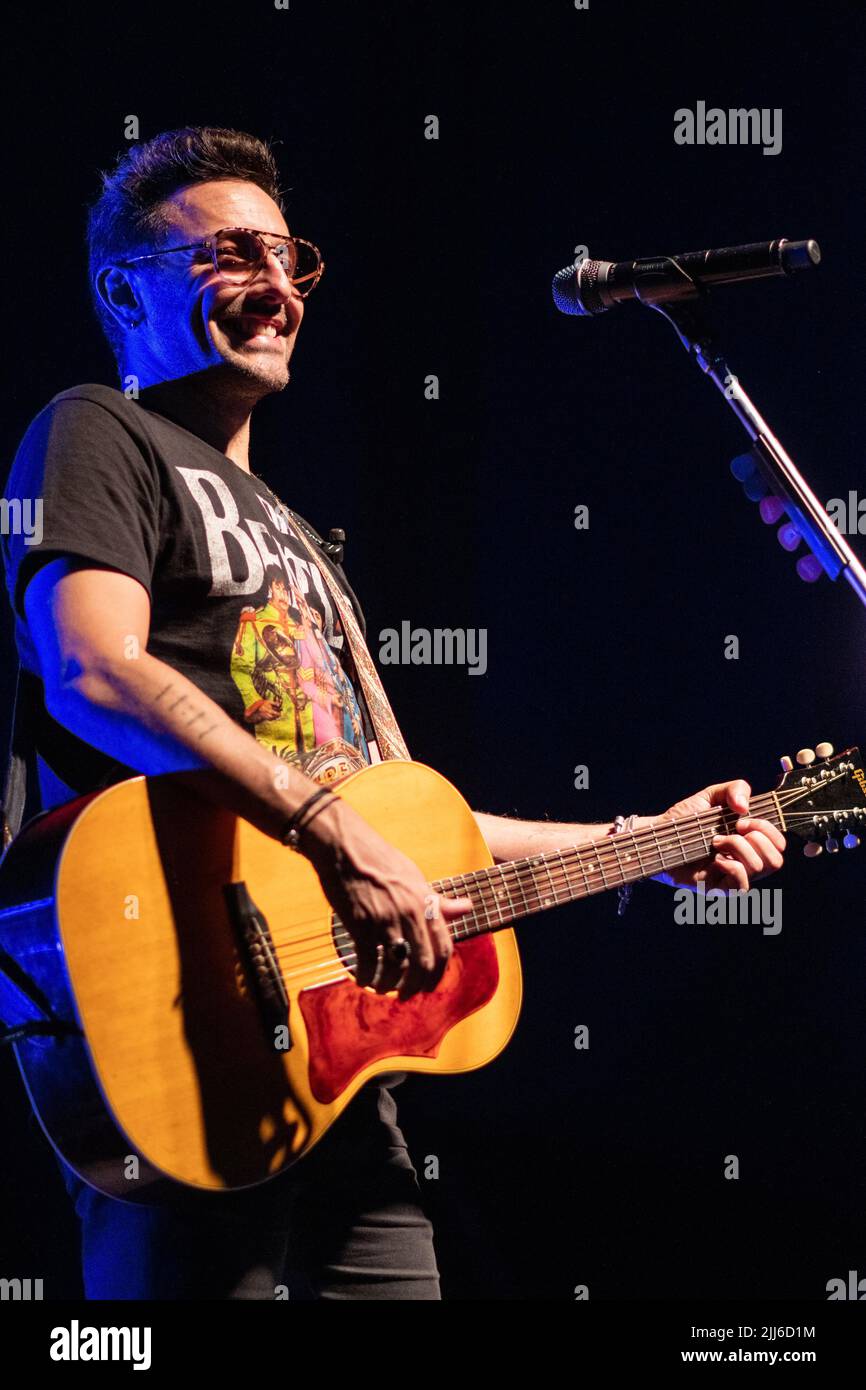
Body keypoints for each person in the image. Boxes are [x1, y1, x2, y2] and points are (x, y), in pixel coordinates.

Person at [0, 127, 786, 1300]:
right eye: (232, 256)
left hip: (343, 1077)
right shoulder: (95, 433)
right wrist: (336, 833)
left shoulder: (308, 547)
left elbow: (410, 821)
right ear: (126, 289)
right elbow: (94, 671)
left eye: (289, 258)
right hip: (177, 1026)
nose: (277, 287)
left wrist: (643, 841)